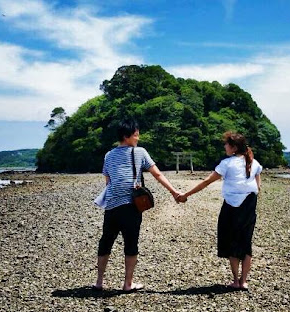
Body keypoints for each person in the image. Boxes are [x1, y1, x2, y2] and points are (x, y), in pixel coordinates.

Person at [95, 119, 183, 292]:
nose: (138, 138)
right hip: (130, 206)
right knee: (131, 243)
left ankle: (99, 282)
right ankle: (128, 284)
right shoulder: (139, 152)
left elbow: (108, 182)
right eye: (136, 135)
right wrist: (174, 192)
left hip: (111, 206)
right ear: (126, 136)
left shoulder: (108, 155)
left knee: (106, 242)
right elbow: (157, 174)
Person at [177, 131, 262, 290]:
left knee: (231, 239)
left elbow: (207, 181)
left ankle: (236, 281)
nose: (224, 146)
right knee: (246, 241)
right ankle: (244, 281)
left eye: (227, 144)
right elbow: (258, 180)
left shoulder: (227, 163)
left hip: (231, 205)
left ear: (234, 147)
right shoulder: (253, 162)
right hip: (249, 204)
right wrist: (253, 189)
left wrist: (186, 194)